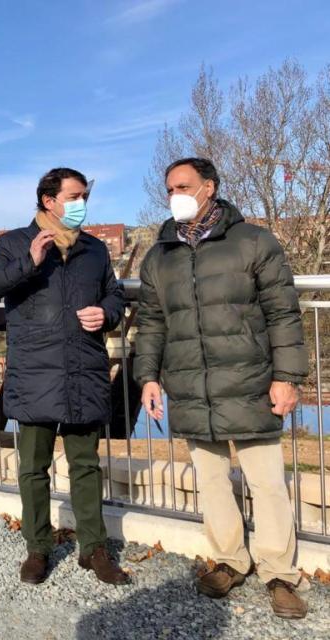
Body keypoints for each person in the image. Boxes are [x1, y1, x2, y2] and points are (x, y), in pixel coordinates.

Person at [135, 157, 309, 619]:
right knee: (212, 481)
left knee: (267, 482)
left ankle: (279, 573)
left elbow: (283, 315)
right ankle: (231, 560)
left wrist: (288, 377)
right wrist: (148, 377)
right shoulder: (160, 256)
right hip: (191, 384)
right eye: (169, 187)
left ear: (209, 187)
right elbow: (151, 324)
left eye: (184, 185)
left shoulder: (253, 242)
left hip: (250, 381)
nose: (175, 194)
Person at [0, 167, 128, 586]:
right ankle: (37, 548)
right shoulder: (15, 243)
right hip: (35, 372)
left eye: (84, 197)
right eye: (74, 197)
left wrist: (108, 313)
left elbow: (114, 294)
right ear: (48, 201)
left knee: (86, 465)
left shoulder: (94, 249)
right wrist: (28, 263)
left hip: (83, 370)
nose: (82, 205)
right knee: (33, 467)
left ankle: (94, 548)